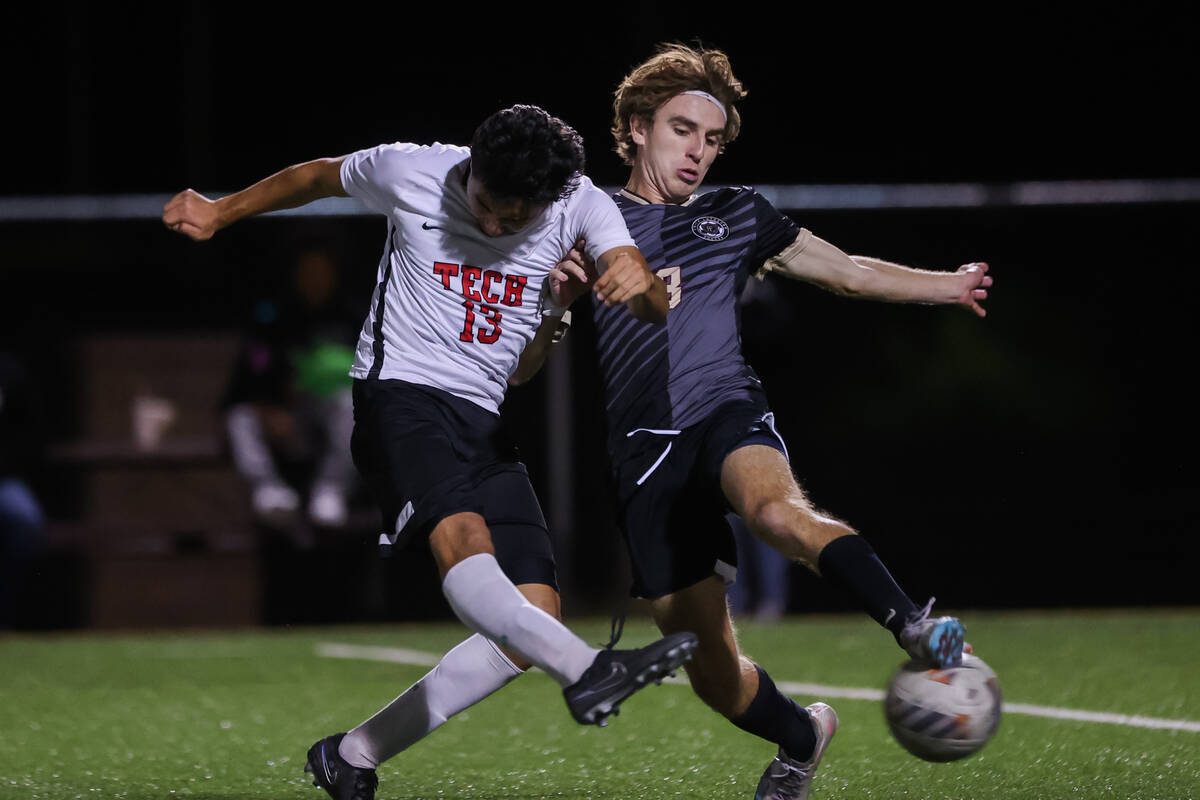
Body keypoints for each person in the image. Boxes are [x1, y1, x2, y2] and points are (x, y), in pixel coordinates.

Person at [163, 104, 696, 800]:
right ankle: (591, 671)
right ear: (470, 167)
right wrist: (220, 210)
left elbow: (642, 297)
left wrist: (636, 290)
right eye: (486, 204)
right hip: (399, 397)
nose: (496, 225)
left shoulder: (581, 205)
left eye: (516, 217)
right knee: (464, 540)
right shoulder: (413, 169)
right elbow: (316, 177)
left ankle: (352, 754)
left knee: (530, 616)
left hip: (482, 417)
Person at [555, 43, 994, 800]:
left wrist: (946, 287)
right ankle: (802, 738)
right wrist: (553, 305)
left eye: (712, 139)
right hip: (641, 462)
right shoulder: (584, 217)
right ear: (633, 129)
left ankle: (913, 623)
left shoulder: (736, 213)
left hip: (724, 409)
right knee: (716, 679)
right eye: (682, 130)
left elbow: (850, 270)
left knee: (778, 514)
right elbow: (529, 348)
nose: (699, 151)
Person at [221, 241, 360, 530]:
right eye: (308, 272)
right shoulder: (272, 318)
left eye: (322, 272)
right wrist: (268, 408)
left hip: (326, 422)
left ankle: (331, 490)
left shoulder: (352, 317)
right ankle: (267, 488)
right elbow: (245, 381)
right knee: (240, 417)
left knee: (349, 405)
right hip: (282, 423)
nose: (315, 280)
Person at [0, 351, 45, 629]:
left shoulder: (10, 373)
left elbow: (33, 432)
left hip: (3, 479)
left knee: (27, 520)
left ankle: (4, 617)